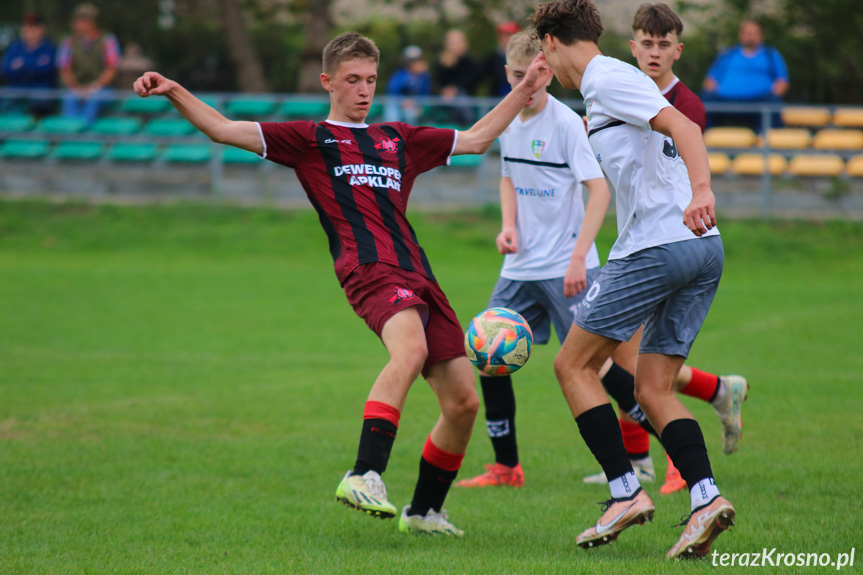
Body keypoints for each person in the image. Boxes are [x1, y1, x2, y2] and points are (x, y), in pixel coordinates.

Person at [133, 32, 552, 537]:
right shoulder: (310, 140)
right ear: (327, 81)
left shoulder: (398, 138)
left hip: (420, 275)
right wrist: (174, 89)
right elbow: (222, 129)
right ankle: (364, 472)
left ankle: (423, 512)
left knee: (463, 401)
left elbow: (479, 138)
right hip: (368, 271)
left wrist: (525, 85)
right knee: (410, 351)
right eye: (352, 80)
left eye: (371, 80)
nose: (363, 90)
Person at [531, 0, 735, 559]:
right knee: (652, 387)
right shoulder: (609, 89)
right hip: (701, 249)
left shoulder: (605, 78)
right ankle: (706, 498)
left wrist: (702, 191)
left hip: (659, 245)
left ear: (551, 43)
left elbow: (686, 125)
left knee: (572, 365)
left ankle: (624, 491)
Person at [580, 2, 750, 496]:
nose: (654, 52)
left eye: (663, 44)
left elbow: (676, 158)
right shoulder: (618, 94)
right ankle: (708, 400)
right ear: (632, 47)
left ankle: (665, 466)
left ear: (678, 49)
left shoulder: (683, 108)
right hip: (640, 241)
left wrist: (701, 193)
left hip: (669, 242)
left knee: (603, 361)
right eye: (645, 43)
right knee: (625, 359)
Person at [455, 31, 611, 489]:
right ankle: (506, 467)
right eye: (519, 77)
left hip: (568, 267)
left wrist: (580, 257)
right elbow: (508, 178)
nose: (528, 86)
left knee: (597, 368)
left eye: (537, 77)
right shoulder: (507, 121)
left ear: (549, 73)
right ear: (508, 75)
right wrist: (509, 226)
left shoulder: (566, 124)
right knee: (486, 356)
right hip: (519, 267)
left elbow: (599, 191)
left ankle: (666, 458)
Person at [702, 19, 788, 132]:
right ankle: (702, 141)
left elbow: (782, 81)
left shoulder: (770, 54)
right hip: (726, 101)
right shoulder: (729, 54)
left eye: (754, 33)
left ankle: (767, 144)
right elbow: (710, 80)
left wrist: (773, 93)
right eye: (747, 33)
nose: (750, 37)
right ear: (741, 35)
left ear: (761, 36)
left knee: (773, 103)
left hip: (759, 102)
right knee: (704, 100)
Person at [57, 3, 121, 126]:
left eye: (84, 20)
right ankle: (70, 133)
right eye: (78, 19)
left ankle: (85, 134)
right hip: (76, 88)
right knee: (69, 98)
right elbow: (64, 69)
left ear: (93, 22)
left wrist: (94, 87)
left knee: (94, 99)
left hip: (102, 88)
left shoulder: (107, 40)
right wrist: (76, 88)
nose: (79, 23)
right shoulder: (68, 41)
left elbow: (112, 69)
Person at [1, 13, 57, 117]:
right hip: (16, 88)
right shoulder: (14, 47)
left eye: (33, 28)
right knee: (6, 100)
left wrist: (23, 64)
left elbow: (46, 69)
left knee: (41, 100)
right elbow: (6, 69)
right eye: (26, 27)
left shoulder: (49, 47)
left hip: (40, 89)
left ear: (41, 29)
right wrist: (34, 64)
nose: (28, 31)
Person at [434, 29, 480, 125]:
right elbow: (438, 82)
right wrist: (445, 90)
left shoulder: (470, 62)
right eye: (452, 43)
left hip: (464, 98)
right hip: (444, 97)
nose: (454, 46)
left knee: (460, 98)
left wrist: (454, 89)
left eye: (457, 42)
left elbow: (470, 81)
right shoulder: (441, 62)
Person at [384, 45, 431, 124]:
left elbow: (425, 94)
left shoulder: (424, 77)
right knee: (392, 115)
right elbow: (392, 91)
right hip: (397, 103)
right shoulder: (400, 75)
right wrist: (403, 101)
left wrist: (416, 103)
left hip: (415, 105)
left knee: (411, 115)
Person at [481, 22, 521, 98]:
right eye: (504, 35)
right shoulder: (493, 58)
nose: (508, 38)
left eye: (510, 35)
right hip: (497, 98)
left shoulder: (526, 56)